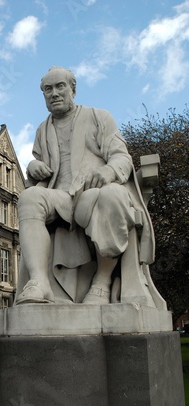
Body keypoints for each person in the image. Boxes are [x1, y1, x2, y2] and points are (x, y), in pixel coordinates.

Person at [15, 66, 155, 306]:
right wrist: (33, 165)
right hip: (59, 196)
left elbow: (121, 157)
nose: (54, 93)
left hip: (93, 192)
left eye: (60, 86)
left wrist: (108, 171)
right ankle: (40, 283)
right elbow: (42, 168)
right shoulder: (42, 129)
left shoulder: (99, 117)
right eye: (48, 89)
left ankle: (102, 282)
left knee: (112, 196)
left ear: (73, 89)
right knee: (28, 199)